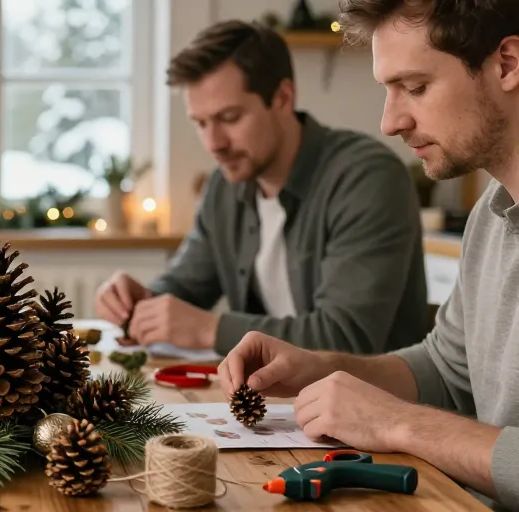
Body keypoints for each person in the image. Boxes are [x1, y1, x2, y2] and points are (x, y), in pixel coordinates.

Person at [219, 1, 519, 510]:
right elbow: (447, 372)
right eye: (388, 89)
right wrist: (321, 368)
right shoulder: (489, 217)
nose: (389, 121)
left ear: (508, 63)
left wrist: (396, 422)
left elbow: (417, 412)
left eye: (416, 87)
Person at [95, 19, 428, 356]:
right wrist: (143, 303)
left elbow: (346, 337)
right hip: (275, 401)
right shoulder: (224, 188)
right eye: (201, 123)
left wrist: (210, 329)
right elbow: (185, 288)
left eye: (229, 118)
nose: (214, 144)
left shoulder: (365, 178)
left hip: (372, 402)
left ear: (283, 98)